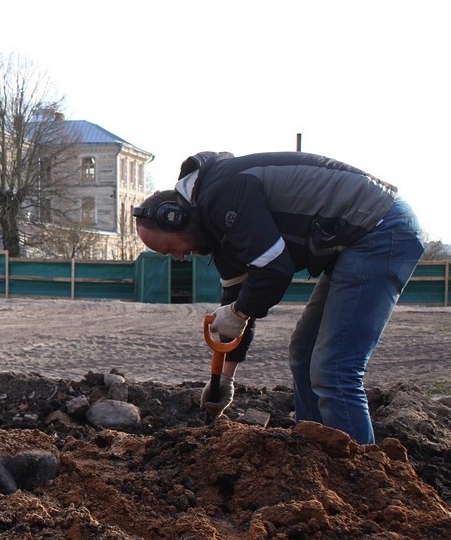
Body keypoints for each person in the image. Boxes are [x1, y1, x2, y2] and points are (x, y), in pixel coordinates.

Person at [133, 151, 424, 445]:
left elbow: (274, 271)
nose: (180, 257)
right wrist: (224, 379)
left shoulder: (223, 196)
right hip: (355, 241)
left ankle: (363, 476)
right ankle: (312, 452)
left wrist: (239, 311)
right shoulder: (216, 229)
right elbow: (238, 298)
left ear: (175, 217)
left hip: (380, 228)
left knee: (334, 368)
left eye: (171, 249)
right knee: (304, 352)